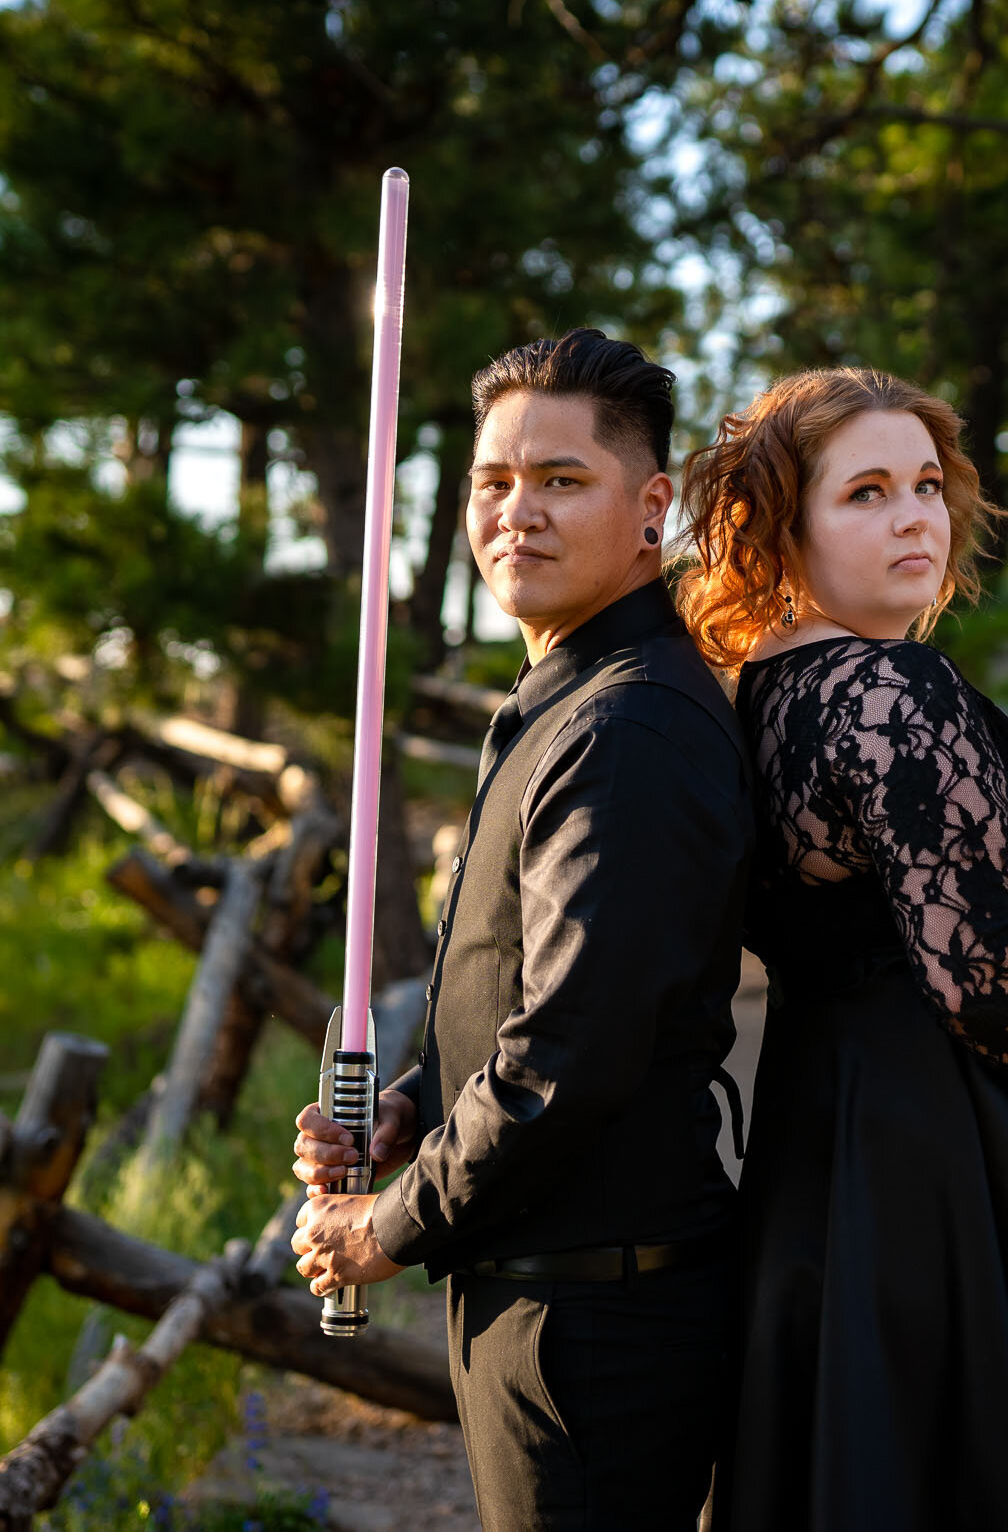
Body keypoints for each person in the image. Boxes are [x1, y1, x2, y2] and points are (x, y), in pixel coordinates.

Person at [676, 367, 1008, 1532]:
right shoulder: (885, 689)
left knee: (862, 1477)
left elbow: (895, 933)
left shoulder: (762, 690)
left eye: (925, 484)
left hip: (836, 1125)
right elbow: (967, 974)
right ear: (780, 522)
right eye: (864, 492)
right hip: (922, 1154)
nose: (914, 515)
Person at [291, 329, 751, 1530]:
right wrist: (410, 1103)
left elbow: (567, 1056)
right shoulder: (560, 706)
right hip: (546, 1292)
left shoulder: (629, 731)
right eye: (493, 483)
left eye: (560, 481)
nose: (516, 514)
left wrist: (381, 1231)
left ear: (650, 507)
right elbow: (520, 986)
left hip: (592, 1323)